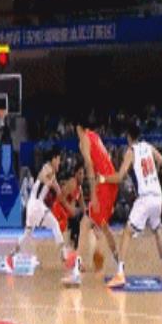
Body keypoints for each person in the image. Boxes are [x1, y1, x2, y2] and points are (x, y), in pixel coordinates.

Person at [102, 122, 162, 288]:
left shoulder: (131, 151)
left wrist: (103, 179)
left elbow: (120, 176)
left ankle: (120, 273)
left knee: (127, 232)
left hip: (145, 198)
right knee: (157, 231)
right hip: (158, 196)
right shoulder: (148, 147)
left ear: (128, 137)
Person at [62, 117, 119, 286]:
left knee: (85, 224)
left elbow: (89, 165)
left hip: (104, 184)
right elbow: (106, 160)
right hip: (111, 183)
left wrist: (93, 194)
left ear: (78, 127)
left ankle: (76, 273)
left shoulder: (84, 140)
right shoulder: (95, 136)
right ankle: (120, 265)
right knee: (103, 227)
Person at [10, 147, 69, 263]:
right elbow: (43, 176)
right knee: (55, 224)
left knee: (27, 234)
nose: (60, 162)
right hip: (36, 204)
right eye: (59, 159)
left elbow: (58, 191)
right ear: (54, 159)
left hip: (32, 205)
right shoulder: (47, 167)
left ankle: (12, 254)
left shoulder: (52, 174)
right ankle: (63, 253)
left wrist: (64, 193)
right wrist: (49, 182)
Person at [51, 161, 86, 248]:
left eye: (83, 173)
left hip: (66, 213)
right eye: (80, 173)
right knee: (75, 217)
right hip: (58, 210)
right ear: (75, 174)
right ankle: (71, 243)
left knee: (80, 215)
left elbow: (84, 208)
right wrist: (70, 208)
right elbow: (60, 198)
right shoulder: (72, 183)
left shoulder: (79, 189)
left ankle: (73, 243)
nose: (82, 176)